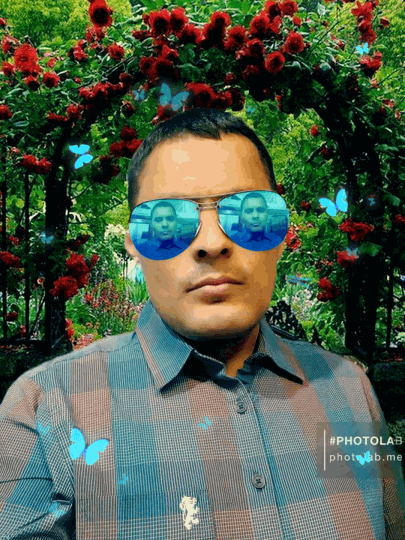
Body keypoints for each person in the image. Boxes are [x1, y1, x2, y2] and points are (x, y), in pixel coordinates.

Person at [0, 108, 404, 539]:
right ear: (135, 245)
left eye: (249, 214)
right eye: (167, 220)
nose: (212, 243)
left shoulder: (349, 390)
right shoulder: (45, 408)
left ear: (282, 236)